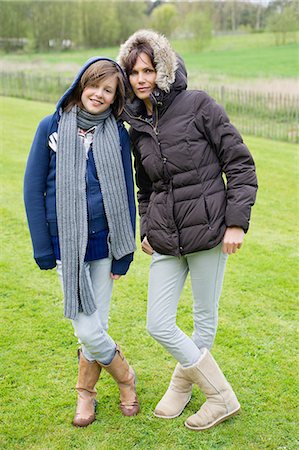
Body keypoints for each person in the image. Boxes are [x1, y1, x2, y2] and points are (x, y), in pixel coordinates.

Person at [118, 30, 258, 431]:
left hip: (209, 230)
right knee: (158, 322)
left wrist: (236, 221)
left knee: (203, 320)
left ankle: (182, 386)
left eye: (149, 69)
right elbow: (144, 185)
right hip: (164, 237)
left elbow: (241, 165)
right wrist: (147, 224)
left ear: (164, 69)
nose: (141, 78)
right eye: (134, 72)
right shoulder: (136, 126)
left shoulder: (198, 105)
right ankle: (220, 394)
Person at [24, 57, 140, 427]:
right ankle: (125, 377)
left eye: (109, 91)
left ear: (115, 98)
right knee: (87, 329)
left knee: (96, 327)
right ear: (81, 84)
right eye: (95, 86)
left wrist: (124, 254)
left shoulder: (117, 134)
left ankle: (85, 396)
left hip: (105, 244)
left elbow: (125, 190)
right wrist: (43, 247)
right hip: (67, 246)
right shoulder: (52, 128)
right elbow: (32, 189)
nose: (99, 94)